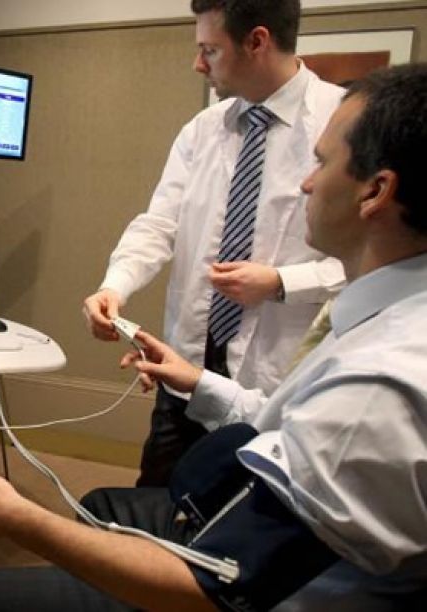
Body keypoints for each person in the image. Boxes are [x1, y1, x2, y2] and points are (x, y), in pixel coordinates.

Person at [0, 63, 427, 611]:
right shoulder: (384, 314)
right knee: (105, 503)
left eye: (321, 162)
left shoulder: (377, 388)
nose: (307, 182)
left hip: (241, 587)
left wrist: (17, 519)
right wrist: (194, 378)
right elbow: (284, 421)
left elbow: (214, 593)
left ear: (376, 191)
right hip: (225, 418)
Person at [83, 0, 346, 486]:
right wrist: (114, 285)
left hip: (273, 381)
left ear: (257, 41)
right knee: (157, 499)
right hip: (185, 365)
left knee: (246, 511)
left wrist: (282, 282)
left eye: (210, 50)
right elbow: (159, 223)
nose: (197, 64)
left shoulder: (342, 125)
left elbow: (378, 259)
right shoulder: (202, 129)